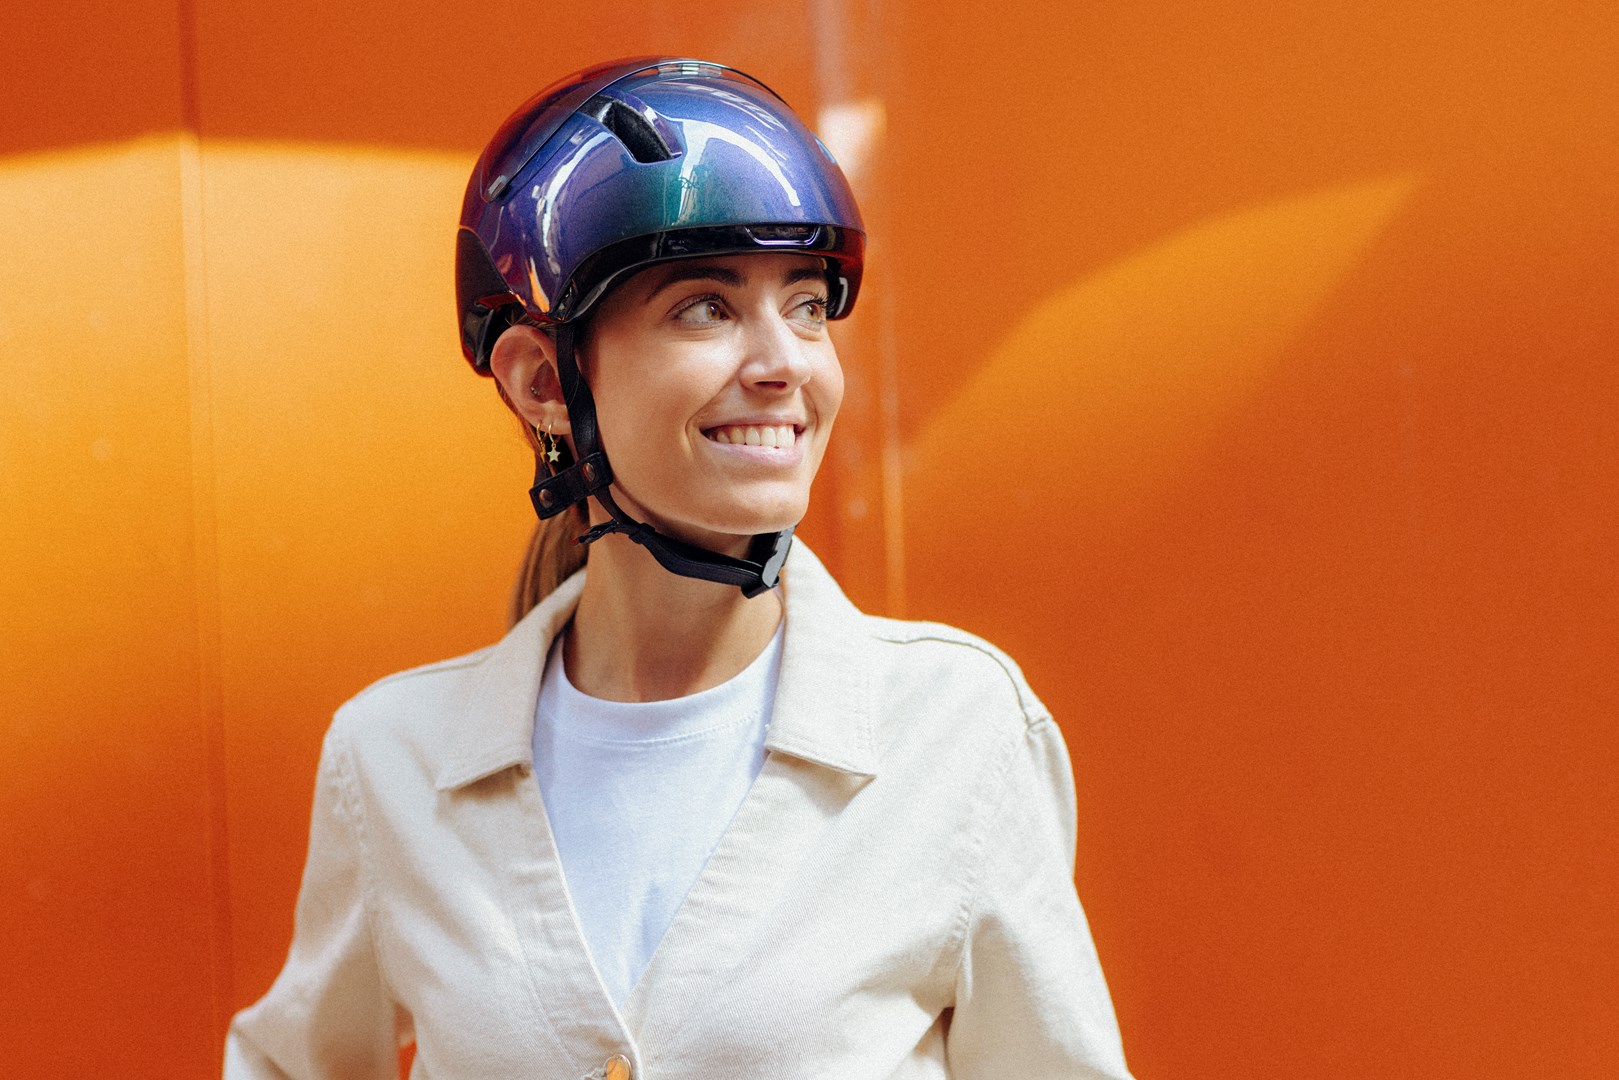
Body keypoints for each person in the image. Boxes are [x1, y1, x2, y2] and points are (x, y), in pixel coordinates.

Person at [225, 57, 1133, 1080]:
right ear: (542, 380)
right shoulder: (392, 757)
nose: (786, 363)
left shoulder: (954, 725)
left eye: (806, 305)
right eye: (705, 307)